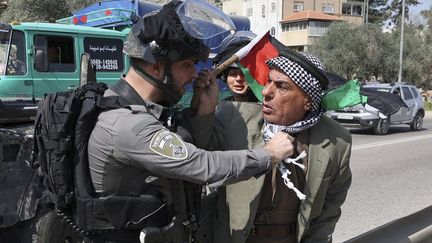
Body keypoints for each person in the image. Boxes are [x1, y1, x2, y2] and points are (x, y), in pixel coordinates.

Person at [87, 1, 294, 241]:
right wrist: (268, 154)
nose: (194, 75)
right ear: (156, 67)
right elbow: (202, 165)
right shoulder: (129, 124)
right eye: (186, 65)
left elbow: (180, 144)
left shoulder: (136, 108)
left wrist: (203, 111)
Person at [192, 48, 352, 242]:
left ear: (308, 101)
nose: (266, 91)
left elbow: (330, 208)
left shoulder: (337, 140)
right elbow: (198, 159)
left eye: (281, 86)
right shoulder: (235, 117)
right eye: (268, 82)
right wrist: (204, 111)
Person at [212, 31, 258, 102]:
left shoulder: (264, 107)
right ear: (225, 78)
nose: (239, 79)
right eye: (233, 74)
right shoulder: (221, 107)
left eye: (244, 74)